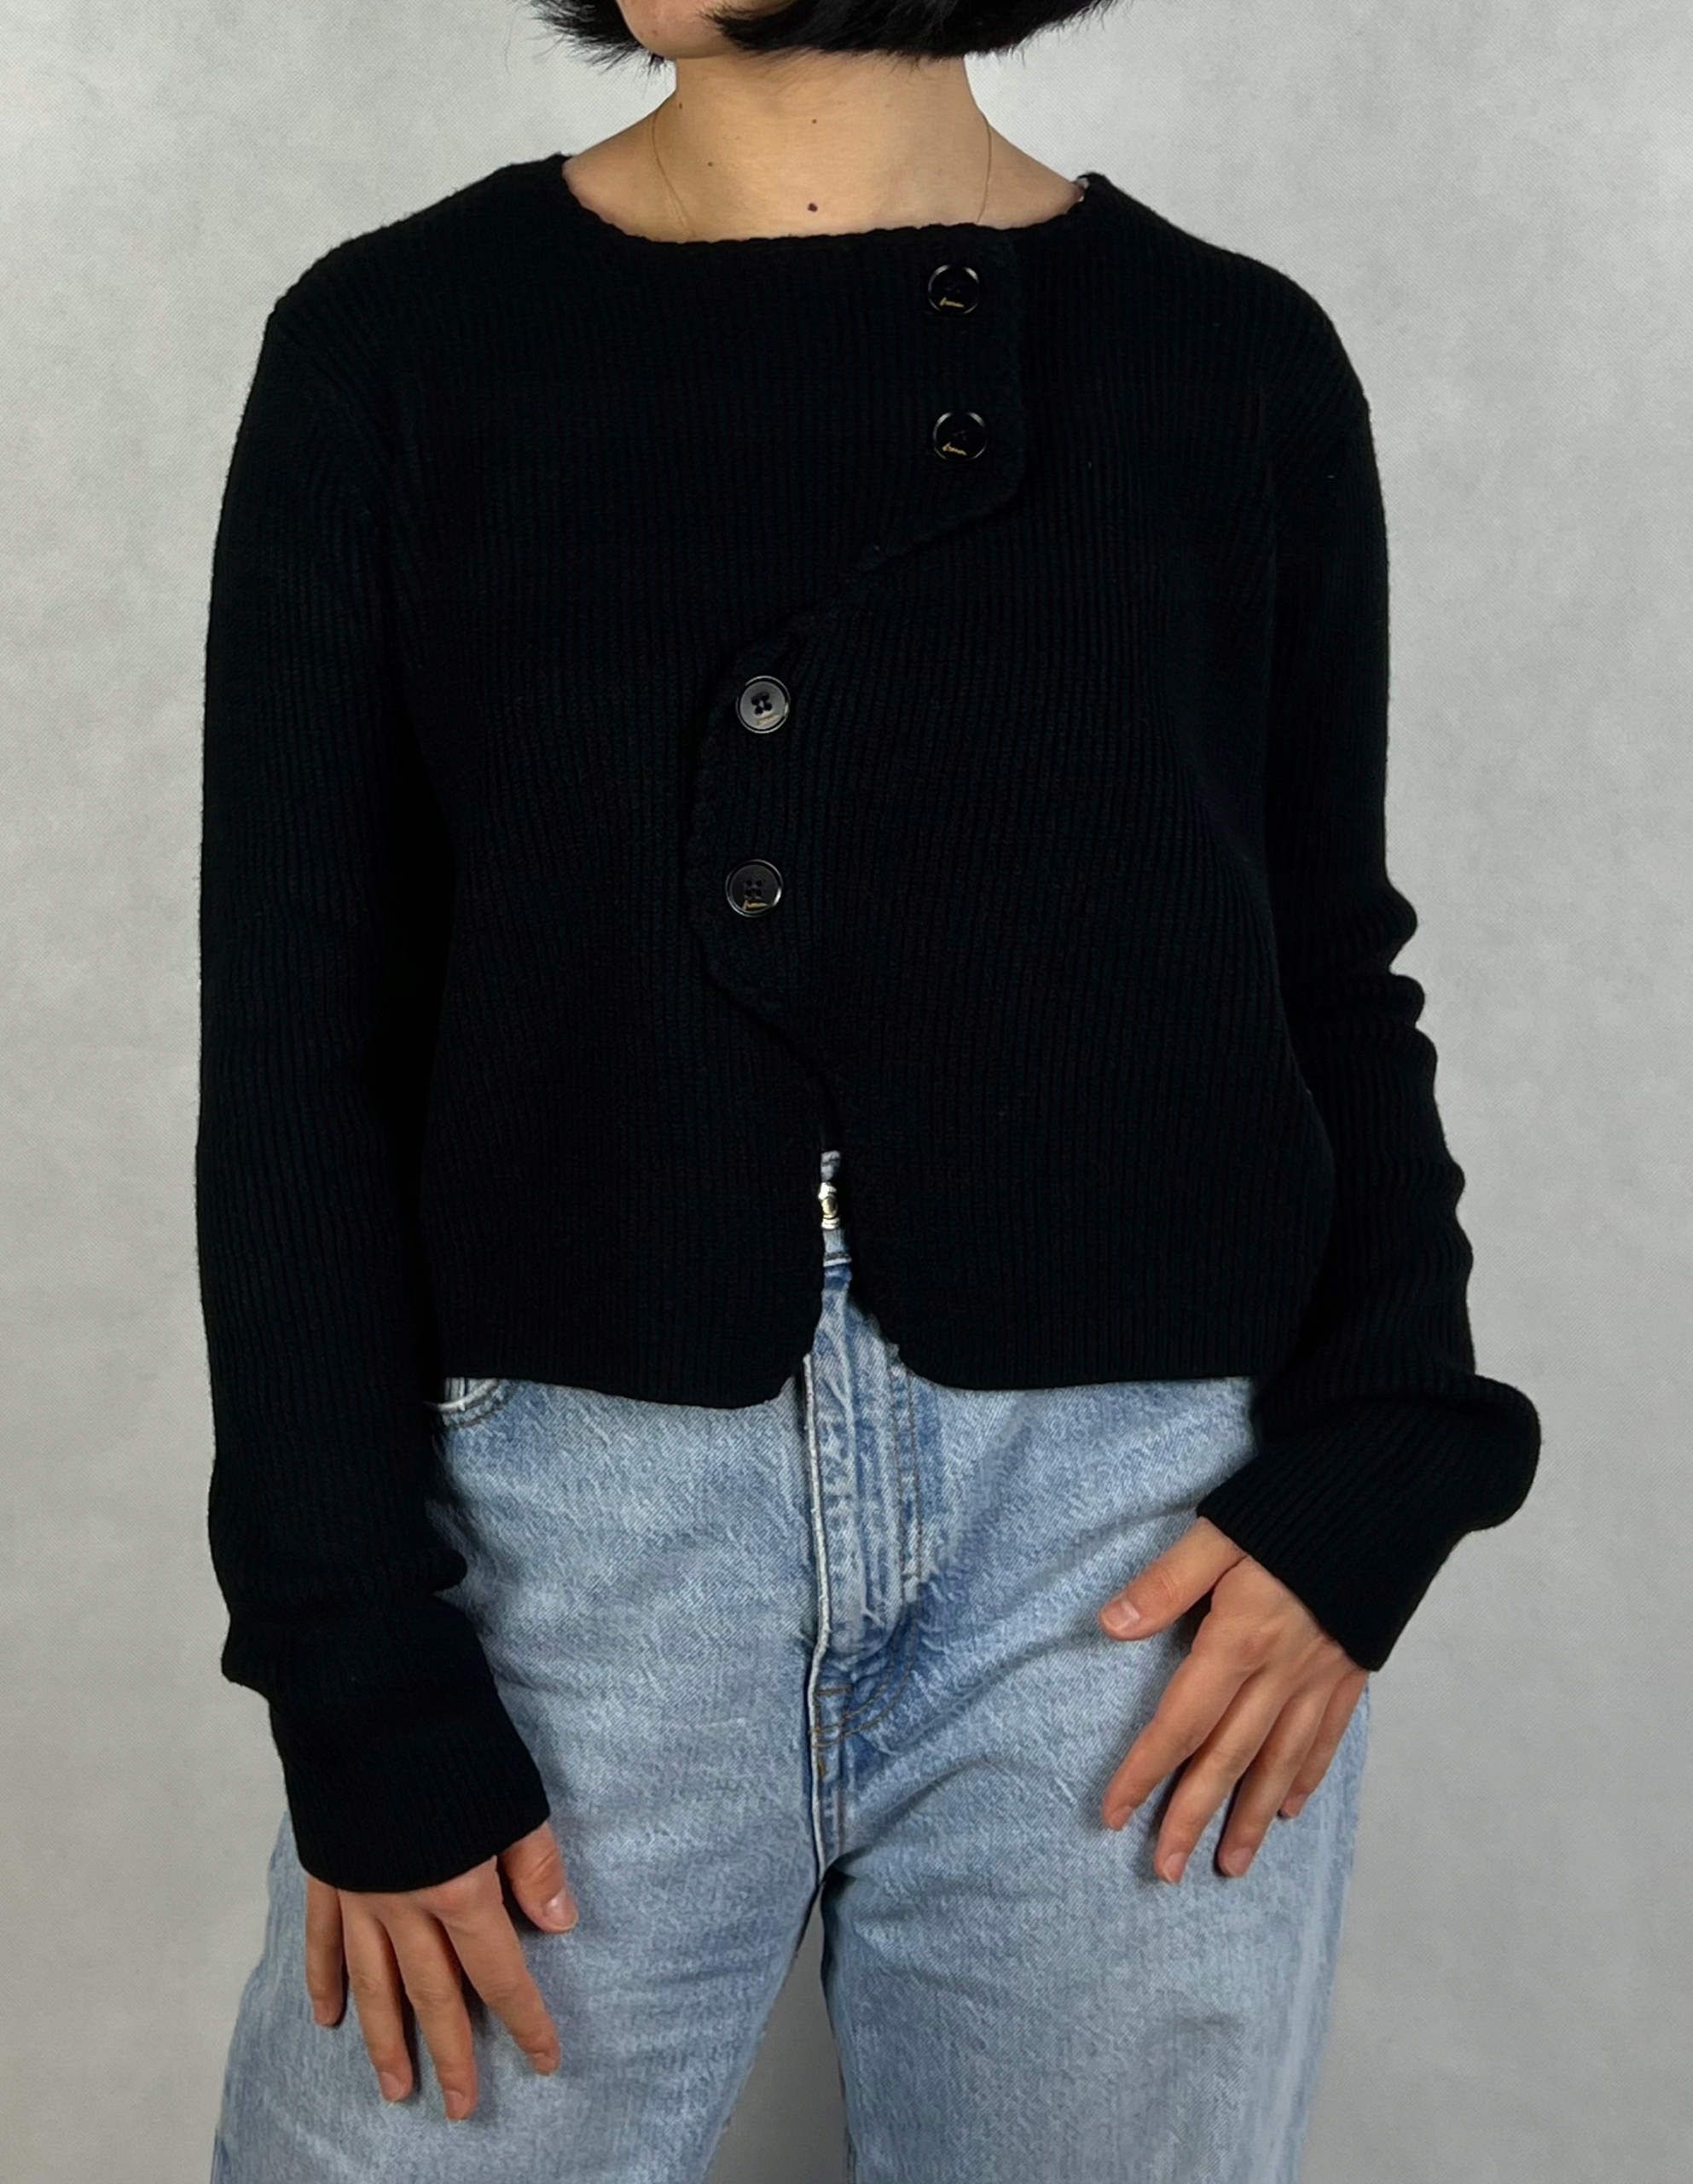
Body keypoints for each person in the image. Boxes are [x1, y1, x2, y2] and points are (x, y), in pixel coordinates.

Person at [197, 0, 1541, 2175]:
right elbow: (293, 1044)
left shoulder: (1234, 364)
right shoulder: (399, 346)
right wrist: (346, 1651)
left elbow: (1322, 961)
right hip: (569, 1543)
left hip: (1134, 1551)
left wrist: (1395, 1434)